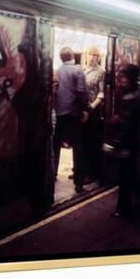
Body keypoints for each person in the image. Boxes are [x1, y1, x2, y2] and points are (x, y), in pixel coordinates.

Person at [110, 64, 140, 218]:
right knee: (133, 176)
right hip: (135, 144)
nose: (121, 81)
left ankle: (123, 209)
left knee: (125, 178)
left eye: (123, 78)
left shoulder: (129, 98)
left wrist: (116, 144)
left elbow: (125, 126)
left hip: (127, 145)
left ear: (131, 79)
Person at [53, 47, 90, 194]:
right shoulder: (77, 70)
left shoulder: (57, 71)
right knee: (78, 146)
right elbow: (81, 91)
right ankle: (79, 182)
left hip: (59, 112)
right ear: (73, 56)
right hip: (74, 113)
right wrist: (86, 108)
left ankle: (53, 173)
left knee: (56, 144)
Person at [83, 46, 106, 182]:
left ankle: (90, 174)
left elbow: (101, 93)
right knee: (80, 142)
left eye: (95, 55)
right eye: (90, 55)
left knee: (91, 143)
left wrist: (92, 107)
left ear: (99, 57)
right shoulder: (82, 70)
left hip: (93, 111)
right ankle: (80, 170)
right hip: (81, 110)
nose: (92, 57)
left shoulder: (101, 72)